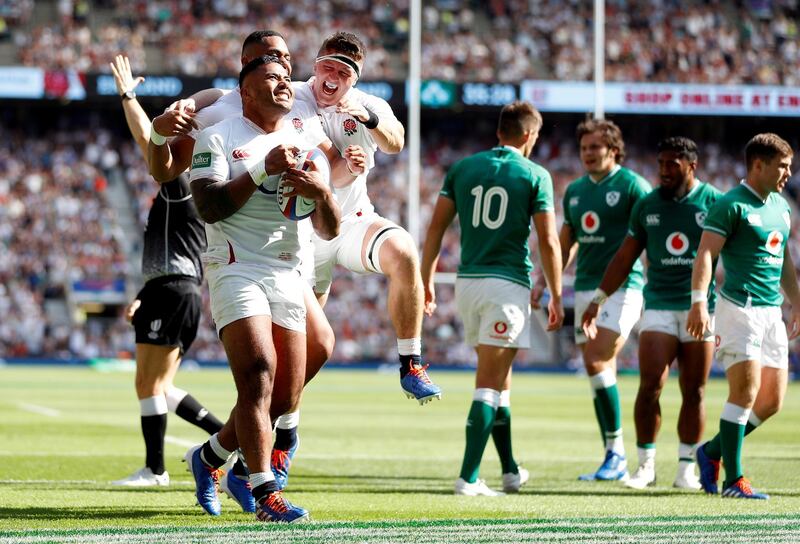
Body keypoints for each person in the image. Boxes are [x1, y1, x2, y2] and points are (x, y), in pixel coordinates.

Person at [145, 30, 365, 494]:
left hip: (292, 257)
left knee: (298, 376)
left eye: (286, 59)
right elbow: (167, 170)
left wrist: (348, 166)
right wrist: (159, 130)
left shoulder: (302, 109)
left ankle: (216, 453)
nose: (284, 67)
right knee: (262, 373)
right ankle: (260, 478)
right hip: (240, 257)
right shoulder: (217, 110)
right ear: (244, 67)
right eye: (270, 60)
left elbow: (331, 183)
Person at [184, 55, 341, 522]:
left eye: (285, 79)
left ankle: (209, 457)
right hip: (235, 265)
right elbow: (208, 207)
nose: (282, 85)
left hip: (288, 271)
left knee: (285, 398)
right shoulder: (219, 136)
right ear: (245, 91)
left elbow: (329, 229)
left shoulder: (308, 145)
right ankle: (265, 493)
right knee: (257, 371)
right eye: (269, 78)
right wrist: (260, 171)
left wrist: (323, 193)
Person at [106, 54, 247, 489]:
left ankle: (156, 469)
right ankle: (228, 442)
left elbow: (145, 135)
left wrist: (129, 96)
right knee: (160, 386)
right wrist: (144, 295)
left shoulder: (181, 181)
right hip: (176, 289)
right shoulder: (207, 187)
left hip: (173, 288)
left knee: (148, 384)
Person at [421, 101, 564, 496]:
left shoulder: (463, 167)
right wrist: (554, 293)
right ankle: (468, 478)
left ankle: (510, 471)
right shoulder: (535, 174)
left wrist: (427, 278)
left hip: (468, 284)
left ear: (500, 131)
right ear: (528, 136)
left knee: (500, 384)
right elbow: (549, 241)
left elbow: (435, 228)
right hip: (507, 285)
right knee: (488, 385)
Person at [292, 31, 442, 405]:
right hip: (298, 233)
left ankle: (411, 363)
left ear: (354, 79)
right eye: (327, 66)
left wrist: (370, 119)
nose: (333, 76)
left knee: (404, 250)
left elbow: (396, 140)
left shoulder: (366, 105)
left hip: (350, 221)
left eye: (343, 72)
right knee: (301, 351)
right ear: (315, 65)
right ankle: (281, 434)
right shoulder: (292, 97)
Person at [581, 137, 720, 490]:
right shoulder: (647, 205)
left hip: (699, 310)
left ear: (692, 165)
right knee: (650, 386)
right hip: (658, 305)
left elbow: (734, 255)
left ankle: (686, 468)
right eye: (660, 163)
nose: (663, 171)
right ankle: (646, 466)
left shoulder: (714, 202)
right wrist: (599, 298)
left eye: (672, 164)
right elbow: (624, 257)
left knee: (695, 391)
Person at [537, 119, 651, 481]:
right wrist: (547, 282)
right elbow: (566, 244)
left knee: (596, 357)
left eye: (595, 148)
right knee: (599, 370)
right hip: (586, 287)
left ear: (613, 150)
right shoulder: (575, 191)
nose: (588, 154)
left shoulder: (634, 186)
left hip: (625, 287)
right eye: (584, 148)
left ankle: (619, 454)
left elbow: (651, 235)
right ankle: (614, 456)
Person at [687, 133, 799, 500]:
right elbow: (706, 254)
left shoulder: (781, 207)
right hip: (740, 308)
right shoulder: (730, 204)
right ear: (758, 165)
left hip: (771, 313)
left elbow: (783, 261)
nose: (788, 173)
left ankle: (711, 452)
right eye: (782, 166)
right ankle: (733, 480)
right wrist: (698, 302)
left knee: (771, 402)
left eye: (790, 166)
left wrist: (797, 302)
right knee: (746, 392)